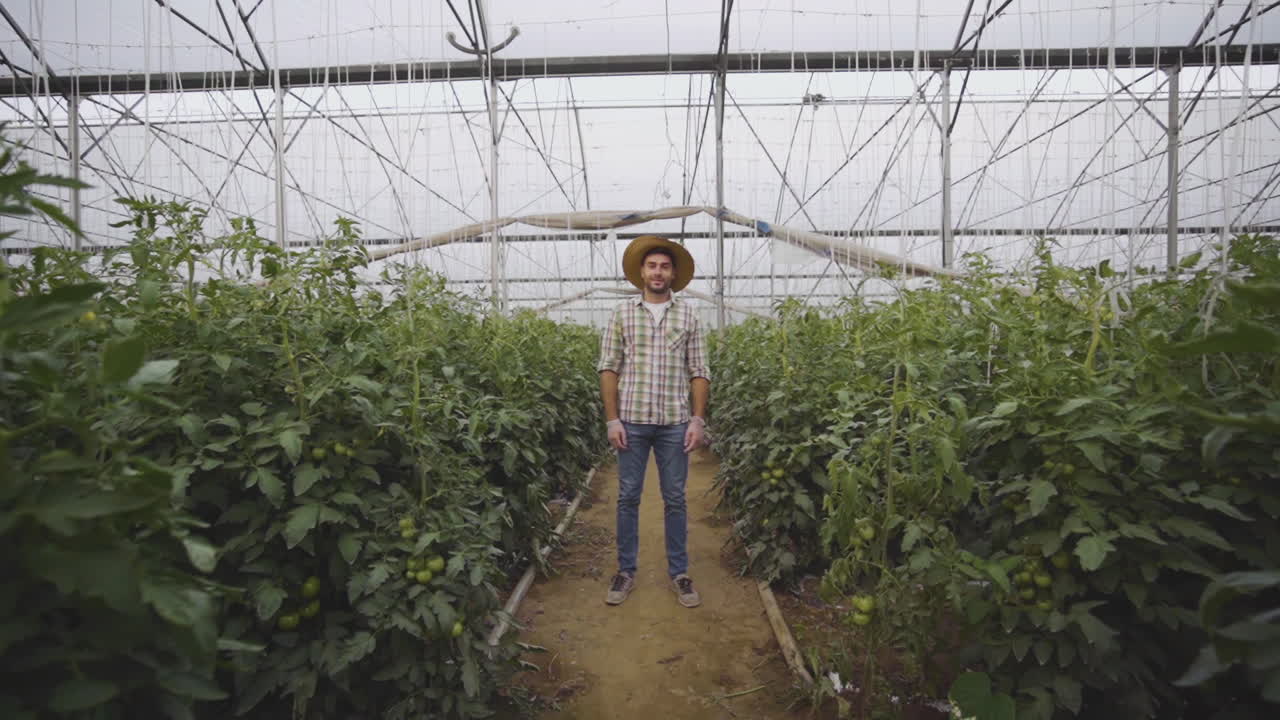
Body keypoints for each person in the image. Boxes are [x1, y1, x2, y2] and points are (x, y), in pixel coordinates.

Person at [597, 234, 711, 609]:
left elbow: (699, 371)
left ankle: (679, 572)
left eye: (664, 266)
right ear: (642, 273)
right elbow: (609, 367)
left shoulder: (689, 315)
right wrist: (612, 420)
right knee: (628, 497)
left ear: (673, 273)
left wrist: (697, 419)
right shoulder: (622, 313)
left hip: (674, 422)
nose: (658, 271)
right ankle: (626, 570)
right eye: (652, 265)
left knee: (675, 498)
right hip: (631, 421)